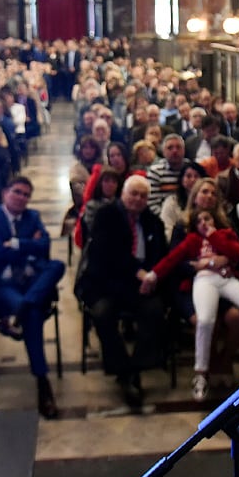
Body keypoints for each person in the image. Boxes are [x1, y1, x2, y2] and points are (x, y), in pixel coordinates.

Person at [141, 206, 239, 403]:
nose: (204, 223)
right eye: (199, 221)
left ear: (214, 220)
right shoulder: (192, 240)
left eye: (207, 219)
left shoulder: (225, 234)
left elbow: (235, 253)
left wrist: (213, 246)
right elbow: (172, 258)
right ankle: (201, 373)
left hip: (228, 279)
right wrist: (153, 275)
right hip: (204, 280)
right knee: (205, 321)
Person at [0, 176, 66, 419]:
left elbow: (44, 245)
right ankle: (42, 381)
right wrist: (26, 247)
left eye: (26, 194)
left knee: (56, 265)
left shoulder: (32, 217)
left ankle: (25, 306)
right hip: (0, 284)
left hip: (28, 281)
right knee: (32, 313)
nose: (21, 198)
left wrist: (14, 243)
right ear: (5, 193)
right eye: (17, 192)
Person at [75, 175, 168, 408]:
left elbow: (160, 254)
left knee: (155, 310)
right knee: (102, 314)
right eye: (133, 194)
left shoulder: (152, 221)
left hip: (140, 285)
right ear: (123, 194)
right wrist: (139, 273)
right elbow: (108, 253)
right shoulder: (106, 215)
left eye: (143, 195)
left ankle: (134, 368)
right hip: (105, 281)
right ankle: (123, 371)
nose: (137, 199)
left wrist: (153, 277)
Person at [159, 161, 205, 241]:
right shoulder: (171, 203)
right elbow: (167, 230)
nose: (193, 180)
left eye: (196, 176)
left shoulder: (207, 201)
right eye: (188, 176)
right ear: (182, 180)